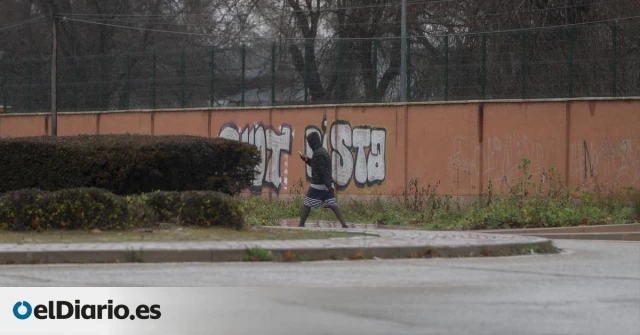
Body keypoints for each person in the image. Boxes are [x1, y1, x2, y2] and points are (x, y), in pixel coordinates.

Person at [298, 132, 348, 228]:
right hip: (326, 184)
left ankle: (301, 225)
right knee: (333, 205)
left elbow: (322, 171)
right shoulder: (322, 151)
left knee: (307, 203)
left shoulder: (318, 153)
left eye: (309, 143)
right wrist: (306, 159)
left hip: (319, 185)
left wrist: (328, 186)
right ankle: (344, 225)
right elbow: (316, 165)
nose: (309, 145)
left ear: (312, 142)